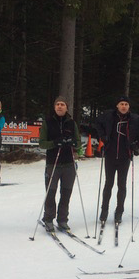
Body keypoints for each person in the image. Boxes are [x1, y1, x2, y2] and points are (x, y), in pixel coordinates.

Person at [96, 96, 139, 225]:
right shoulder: (109, 116)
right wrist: (103, 137)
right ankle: (104, 211)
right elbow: (97, 123)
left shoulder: (134, 119)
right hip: (110, 154)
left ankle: (119, 212)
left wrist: (137, 145)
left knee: (122, 185)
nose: (124, 106)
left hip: (124, 156)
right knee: (108, 184)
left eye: (126, 104)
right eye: (121, 104)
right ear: (117, 105)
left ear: (129, 107)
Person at [38, 96, 80, 232]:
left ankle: (62, 219)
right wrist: (55, 142)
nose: (60, 106)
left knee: (66, 193)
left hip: (69, 164)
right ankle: (49, 219)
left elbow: (78, 142)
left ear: (66, 107)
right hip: (53, 163)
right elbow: (42, 143)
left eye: (62, 104)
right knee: (51, 193)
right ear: (54, 107)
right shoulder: (48, 122)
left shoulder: (71, 123)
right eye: (57, 104)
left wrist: (73, 144)